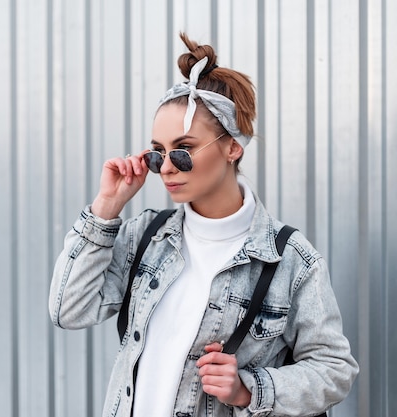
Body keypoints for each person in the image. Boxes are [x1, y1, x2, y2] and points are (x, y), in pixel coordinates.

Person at [49, 33, 358, 417]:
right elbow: (68, 310)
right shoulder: (144, 237)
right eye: (157, 153)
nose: (166, 166)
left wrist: (249, 389)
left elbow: (334, 370)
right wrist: (106, 208)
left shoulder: (289, 260)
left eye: (183, 149)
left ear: (233, 147)